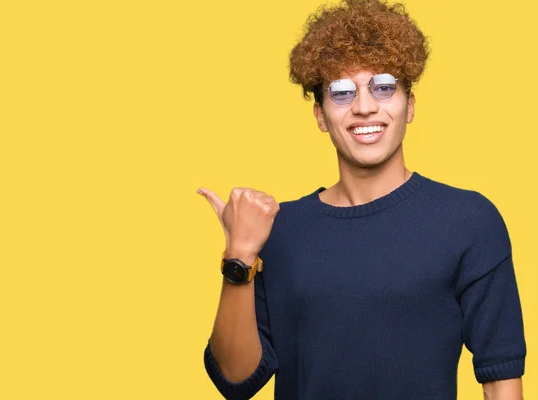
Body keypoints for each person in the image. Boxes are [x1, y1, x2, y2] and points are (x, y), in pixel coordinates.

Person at [196, 0, 527, 398]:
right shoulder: (280, 229)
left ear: (410, 106)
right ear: (320, 115)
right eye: (341, 92)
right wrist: (239, 256)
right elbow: (235, 381)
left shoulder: (469, 220)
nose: (365, 106)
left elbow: (501, 376)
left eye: (384, 87)